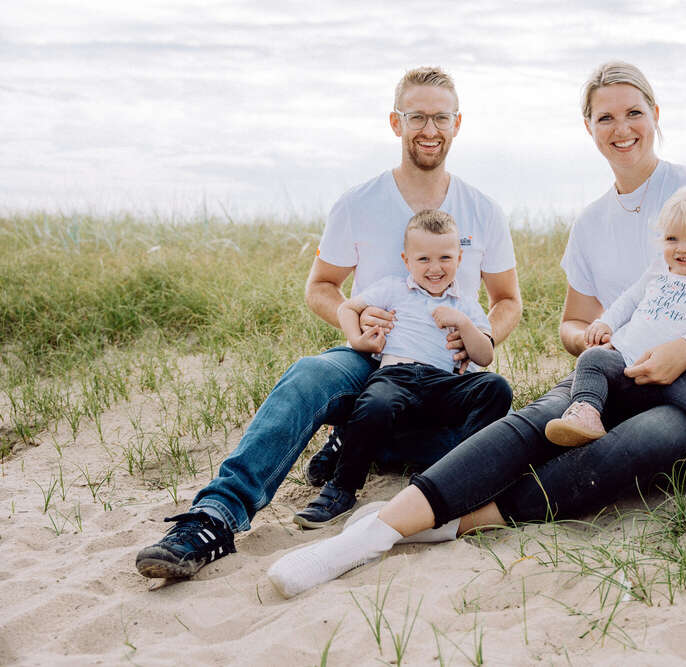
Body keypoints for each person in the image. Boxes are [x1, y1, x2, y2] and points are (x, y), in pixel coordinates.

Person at [266, 61, 686, 598]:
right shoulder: (590, 222)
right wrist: (594, 342)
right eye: (606, 117)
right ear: (589, 128)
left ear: (656, 116)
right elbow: (572, 324)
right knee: (536, 421)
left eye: (634, 113)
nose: (621, 128)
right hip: (624, 370)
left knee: (631, 445)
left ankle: (458, 522)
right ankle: (375, 530)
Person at [135, 66, 522, 580]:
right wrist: (352, 323)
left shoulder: (483, 210)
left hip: (445, 374)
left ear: (458, 124)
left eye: (441, 118)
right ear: (395, 122)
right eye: (417, 117)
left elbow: (508, 300)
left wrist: (481, 337)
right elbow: (321, 286)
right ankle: (215, 517)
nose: (430, 129)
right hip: (371, 358)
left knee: (478, 425)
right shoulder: (358, 203)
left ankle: (362, 443)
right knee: (307, 376)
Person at [293, 209, 512, 529]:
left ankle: (458, 475)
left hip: (443, 383)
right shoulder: (393, 288)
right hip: (398, 375)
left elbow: (485, 355)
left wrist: (464, 324)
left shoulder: (464, 303)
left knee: (496, 388)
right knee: (376, 403)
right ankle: (341, 489)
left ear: (459, 257)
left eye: (445, 258)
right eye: (423, 259)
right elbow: (348, 308)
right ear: (406, 260)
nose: (435, 268)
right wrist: (359, 341)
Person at [544, 185, 686, 501]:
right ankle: (586, 413)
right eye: (672, 238)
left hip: (675, 376)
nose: (682, 248)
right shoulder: (659, 270)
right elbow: (630, 298)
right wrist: (605, 322)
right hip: (626, 359)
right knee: (591, 360)